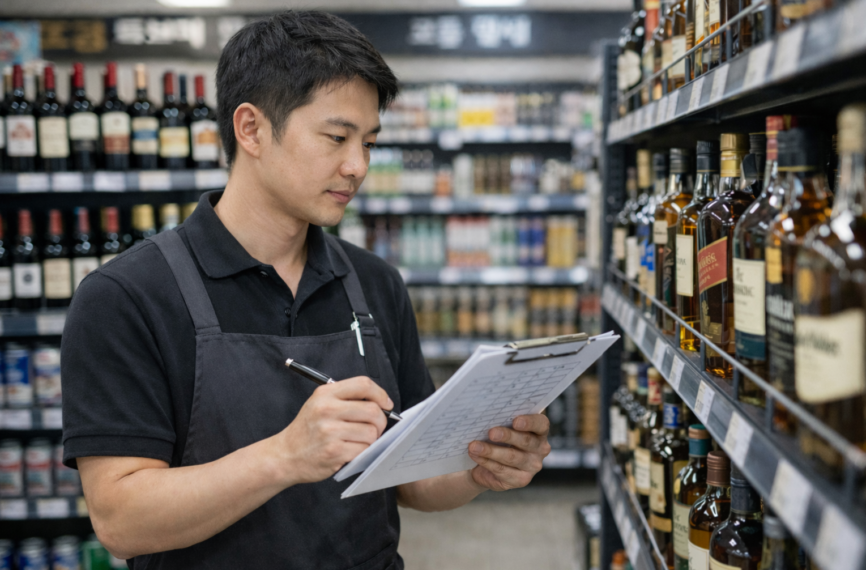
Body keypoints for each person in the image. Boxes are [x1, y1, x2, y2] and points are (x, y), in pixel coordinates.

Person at [61, 11, 552, 569]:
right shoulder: (126, 296)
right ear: (251, 129)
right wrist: (285, 456)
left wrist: (479, 467)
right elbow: (122, 521)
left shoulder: (373, 283)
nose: (357, 166)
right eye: (337, 137)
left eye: (368, 143)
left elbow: (412, 483)